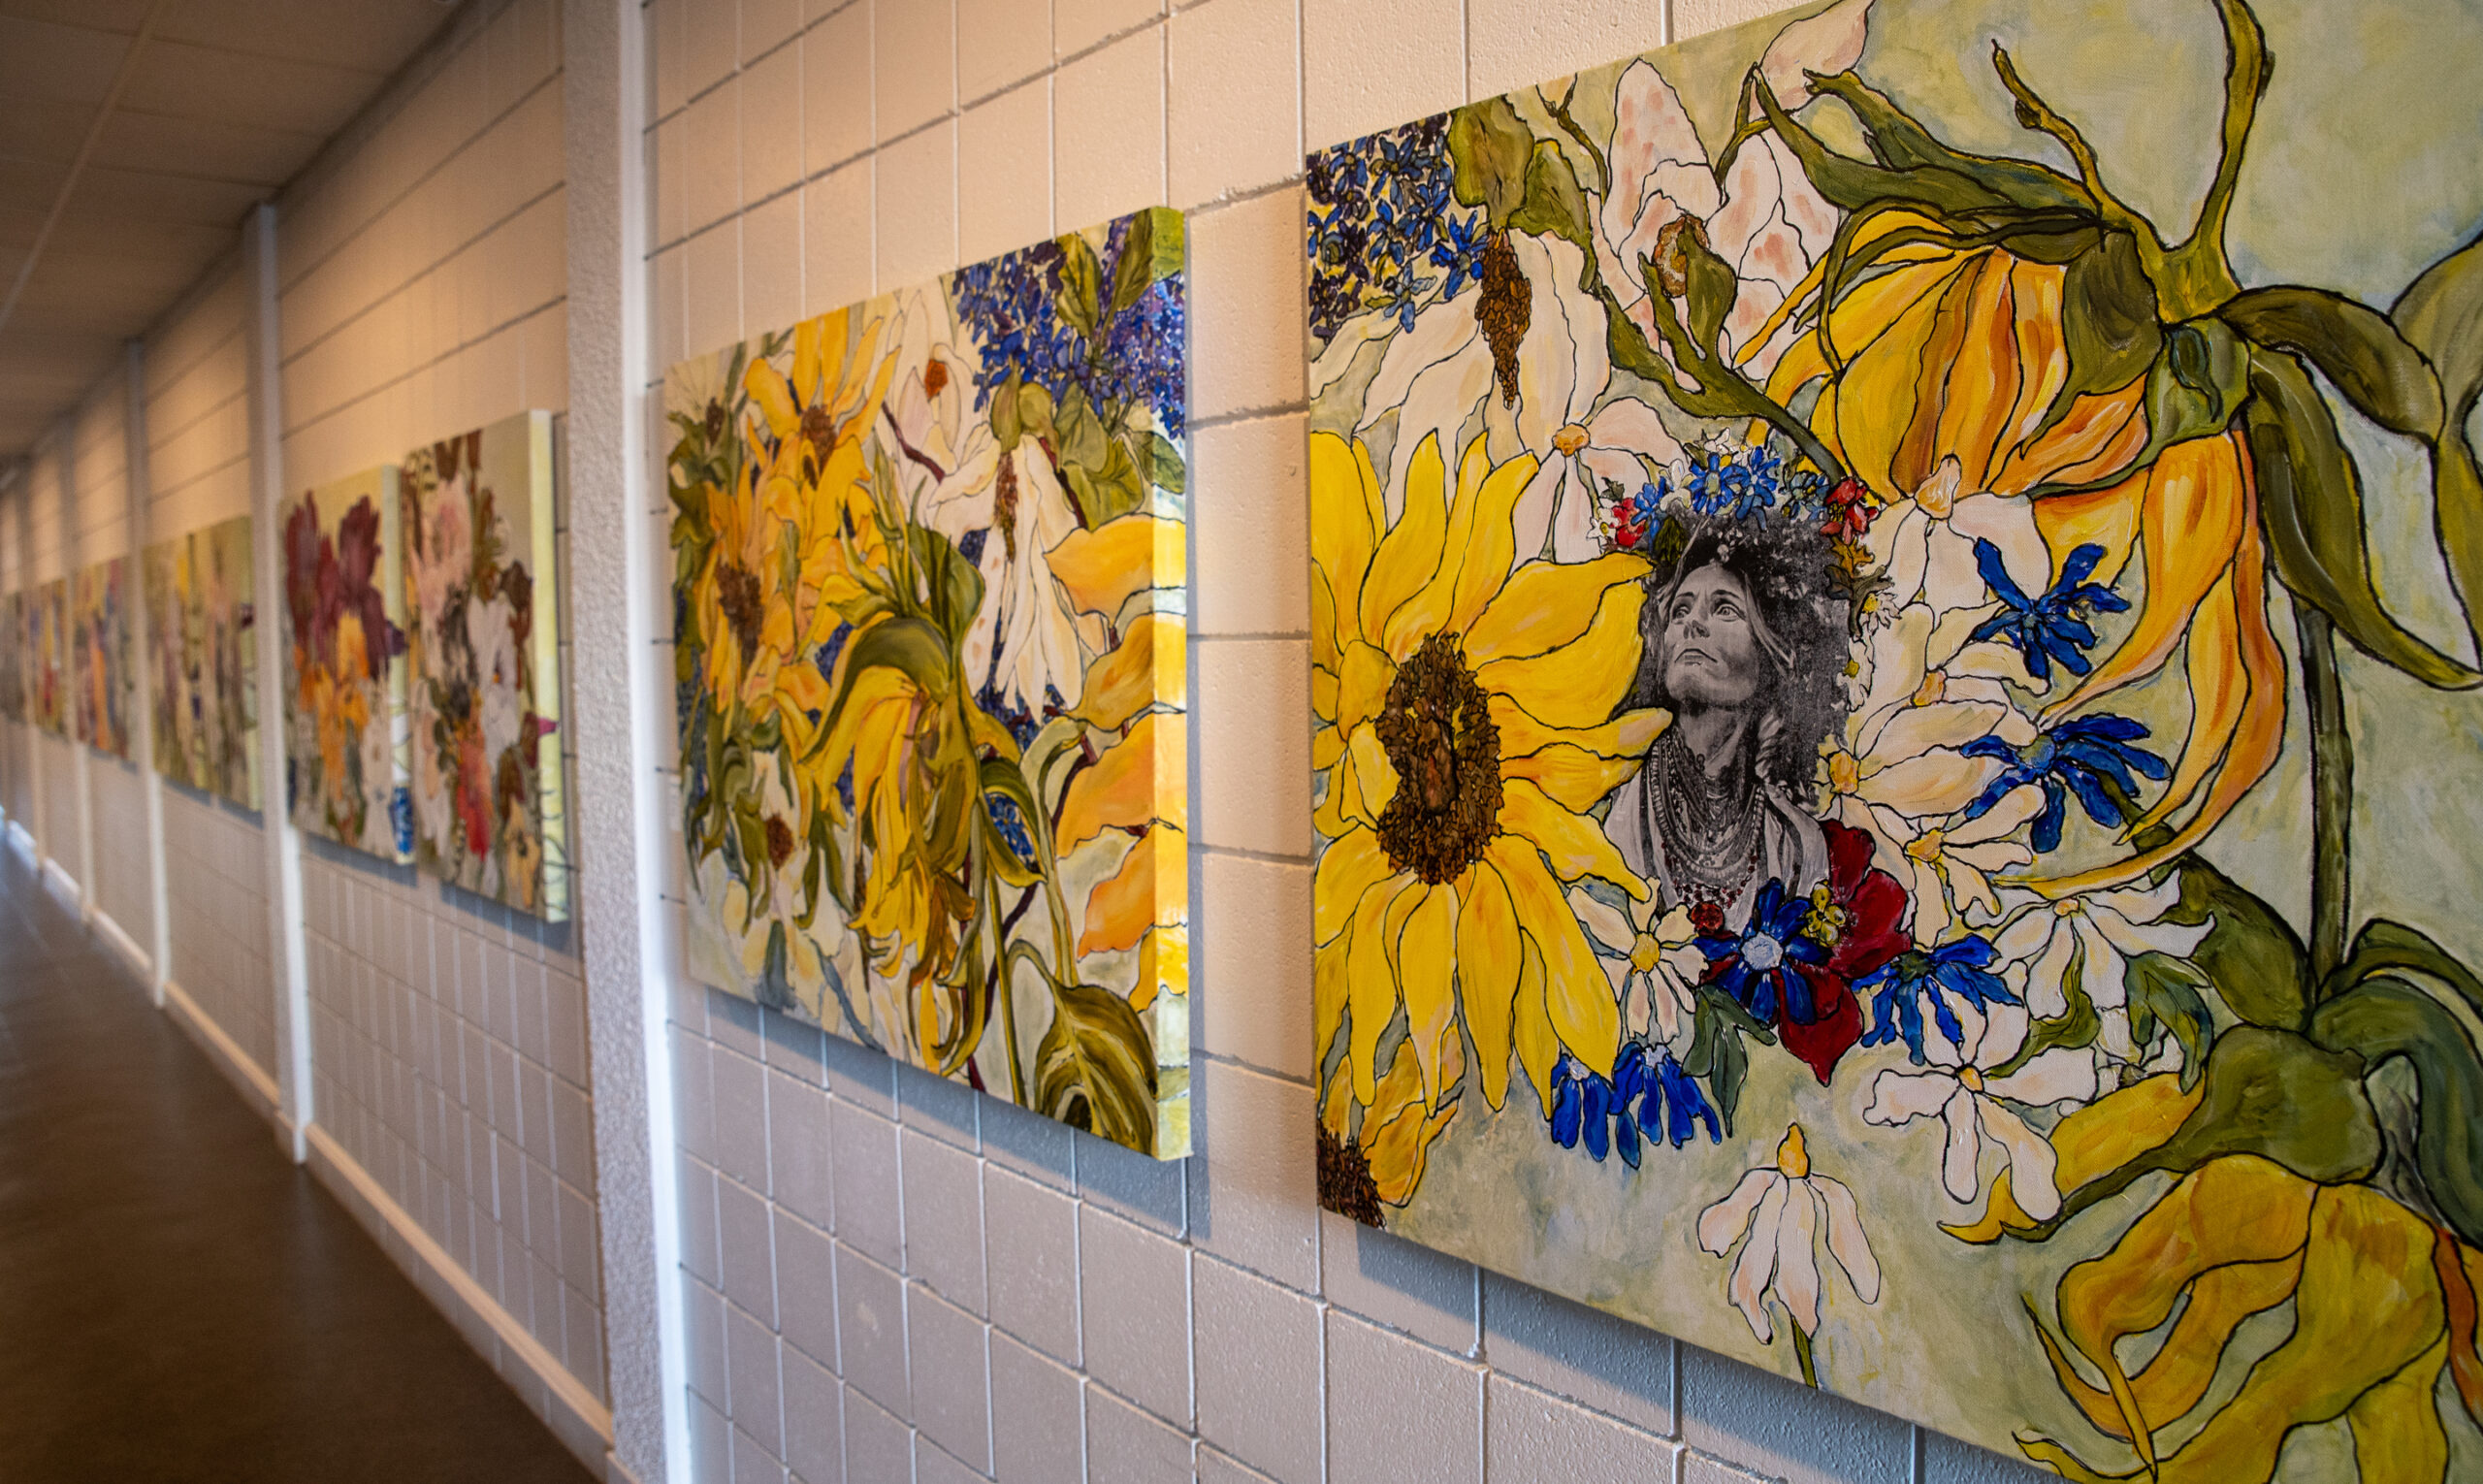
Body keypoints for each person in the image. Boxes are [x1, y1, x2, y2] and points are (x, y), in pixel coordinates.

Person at [1604, 520, 1841, 926]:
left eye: (1724, 608)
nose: (1692, 623)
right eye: (1681, 609)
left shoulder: (1797, 844)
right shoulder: (1610, 801)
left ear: (1773, 654)